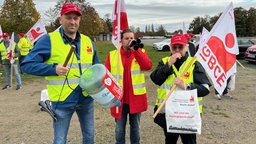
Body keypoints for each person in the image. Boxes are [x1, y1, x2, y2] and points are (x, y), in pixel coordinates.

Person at [21, 3, 100, 144]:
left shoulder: (88, 41)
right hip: (62, 101)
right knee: (60, 140)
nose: (72, 22)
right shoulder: (49, 40)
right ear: (60, 20)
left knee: (89, 137)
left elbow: (97, 68)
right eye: (68, 18)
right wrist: (53, 69)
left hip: (86, 99)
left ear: (79, 20)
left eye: (75, 18)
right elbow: (26, 65)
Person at [150, 34, 211, 144]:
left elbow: (205, 89)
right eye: (174, 47)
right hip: (169, 113)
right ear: (170, 48)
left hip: (188, 114)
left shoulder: (193, 63)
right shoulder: (164, 62)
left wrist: (187, 86)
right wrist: (169, 64)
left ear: (186, 47)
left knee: (189, 142)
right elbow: (155, 79)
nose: (177, 50)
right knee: (170, 141)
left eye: (180, 47)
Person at [105, 29, 152, 144]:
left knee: (135, 128)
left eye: (132, 38)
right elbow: (106, 76)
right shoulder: (112, 55)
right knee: (119, 129)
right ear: (121, 41)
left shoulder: (140, 52)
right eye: (127, 38)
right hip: (119, 100)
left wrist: (136, 51)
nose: (130, 41)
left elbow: (147, 66)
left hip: (135, 99)